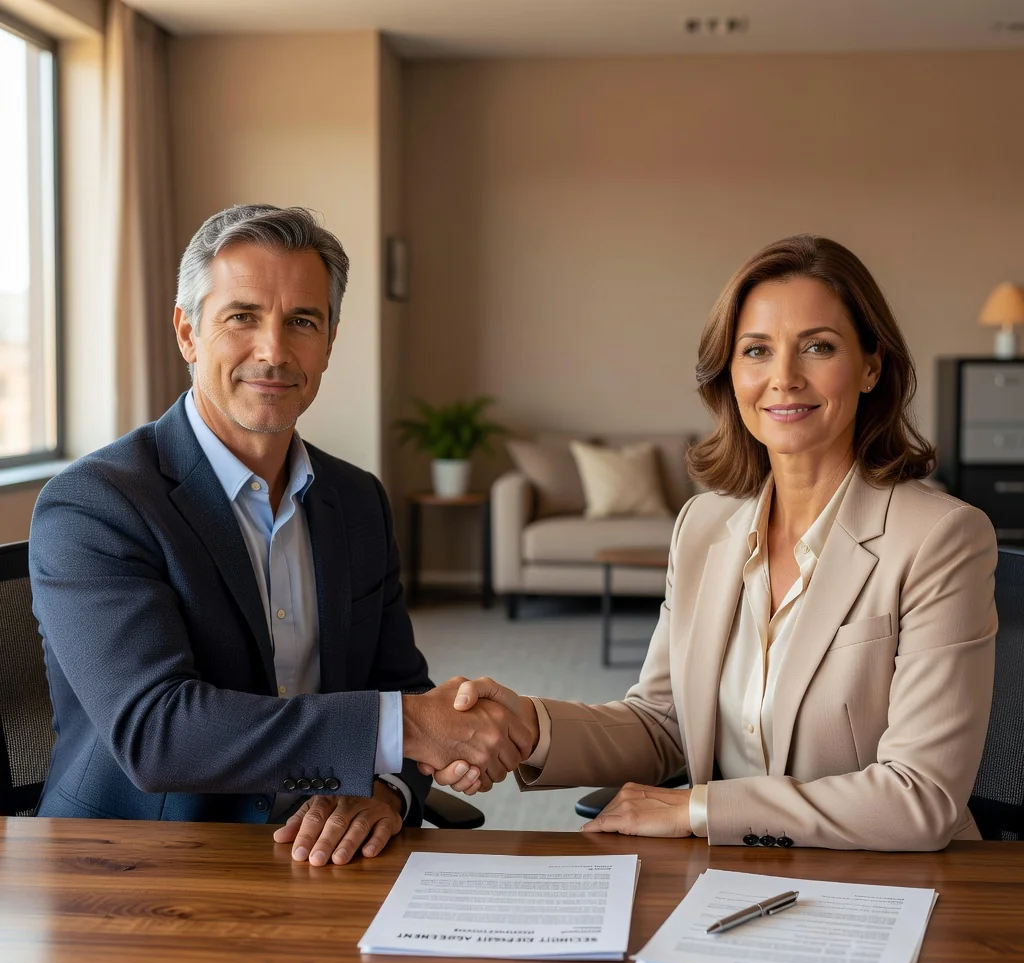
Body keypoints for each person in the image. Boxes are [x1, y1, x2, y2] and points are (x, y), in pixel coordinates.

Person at [367, 234, 997, 852]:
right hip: (724, 881)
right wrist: (526, 727)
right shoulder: (703, 526)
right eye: (756, 350)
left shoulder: (939, 538)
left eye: (818, 347)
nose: (783, 377)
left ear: (870, 367)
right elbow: (664, 724)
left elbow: (921, 798)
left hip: (884, 891)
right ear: (729, 372)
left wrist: (699, 807)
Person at [30, 204, 532, 866]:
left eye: (302, 322)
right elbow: (158, 731)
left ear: (328, 343)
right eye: (242, 317)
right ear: (187, 332)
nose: (273, 351)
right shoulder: (98, 504)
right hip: (136, 865)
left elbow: (400, 684)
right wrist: (407, 729)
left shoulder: (356, 500)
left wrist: (384, 791)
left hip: (317, 856)